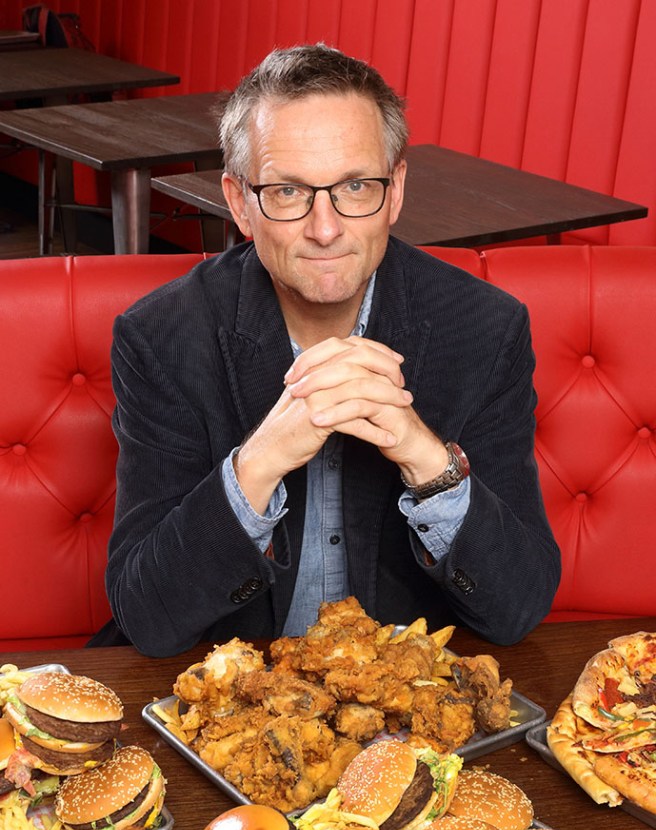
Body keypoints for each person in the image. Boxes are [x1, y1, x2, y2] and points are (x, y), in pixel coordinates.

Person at [103, 44, 560, 657]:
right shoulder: (161, 337)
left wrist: (426, 459)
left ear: (394, 191)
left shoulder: (485, 329)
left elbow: (519, 608)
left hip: (407, 705)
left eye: (354, 185)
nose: (325, 227)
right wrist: (258, 463)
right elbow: (148, 619)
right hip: (234, 704)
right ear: (241, 202)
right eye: (289, 191)